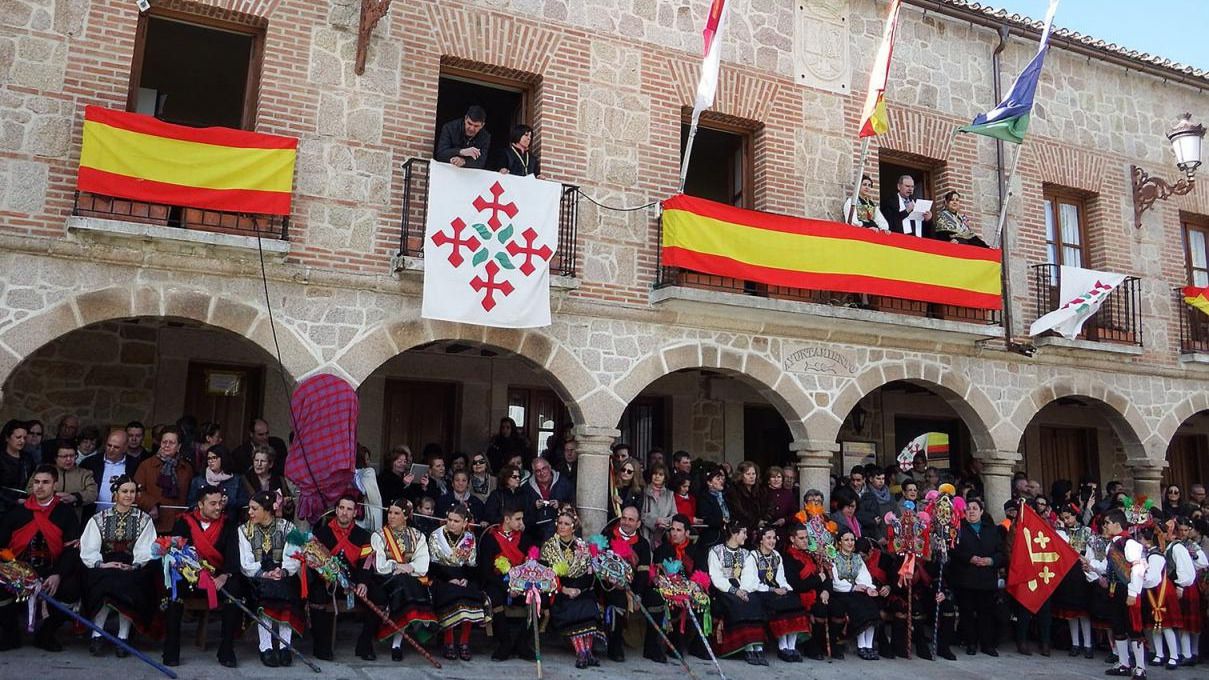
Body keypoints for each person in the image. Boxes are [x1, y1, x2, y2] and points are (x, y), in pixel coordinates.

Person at [0, 465, 82, 652]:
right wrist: (12, 569)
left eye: (45, 482)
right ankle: (10, 634)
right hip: (18, 569)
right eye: (36, 482)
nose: (40, 486)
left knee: (73, 587)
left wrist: (58, 575)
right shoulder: (17, 512)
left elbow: (72, 549)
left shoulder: (65, 513)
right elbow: (2, 545)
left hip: (52, 569)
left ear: (55, 484)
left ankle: (46, 635)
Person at [164, 484, 242, 668]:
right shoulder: (183, 522)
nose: (218, 508)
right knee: (173, 592)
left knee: (235, 589)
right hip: (191, 576)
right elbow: (177, 556)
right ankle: (171, 651)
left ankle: (226, 650)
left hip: (217, 578)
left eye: (220, 503)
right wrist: (196, 574)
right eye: (212, 504)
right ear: (200, 504)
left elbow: (233, 556)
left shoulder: (229, 524)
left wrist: (223, 577)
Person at [79, 474, 157, 657]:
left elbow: (146, 547)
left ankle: (123, 637)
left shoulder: (144, 519)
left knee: (127, 586)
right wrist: (102, 564)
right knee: (104, 584)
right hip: (104, 564)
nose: (128, 495)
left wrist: (135, 565)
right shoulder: (99, 518)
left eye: (132, 491)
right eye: (124, 491)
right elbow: (89, 547)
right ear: (115, 494)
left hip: (131, 565)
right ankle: (97, 634)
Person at [239, 490, 304, 667]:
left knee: (286, 595)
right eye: (249, 508)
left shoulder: (288, 527)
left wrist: (282, 571)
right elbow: (245, 562)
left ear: (267, 510)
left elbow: (294, 555)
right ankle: (265, 647)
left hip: (283, 573)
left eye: (254, 508)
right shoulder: (244, 530)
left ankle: (285, 646)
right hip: (257, 576)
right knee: (265, 598)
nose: (250, 512)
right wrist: (263, 573)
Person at [308, 495, 376, 662]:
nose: (345, 512)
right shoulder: (321, 533)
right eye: (342, 508)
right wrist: (326, 577)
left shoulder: (364, 535)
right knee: (316, 595)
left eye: (349, 509)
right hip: (328, 582)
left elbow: (366, 563)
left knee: (379, 596)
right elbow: (313, 560)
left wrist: (363, 583)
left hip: (353, 583)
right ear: (336, 510)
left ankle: (365, 645)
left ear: (355, 513)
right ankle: (321, 647)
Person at [371, 497, 437, 661]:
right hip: (386, 579)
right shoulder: (379, 536)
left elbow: (422, 561)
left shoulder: (418, 536)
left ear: (406, 516)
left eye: (396, 513)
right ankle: (417, 624)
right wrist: (395, 566)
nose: (391, 516)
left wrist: (410, 567)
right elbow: (379, 565)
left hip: (410, 579)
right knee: (403, 584)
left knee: (406, 584)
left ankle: (397, 643)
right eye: (390, 512)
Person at [541, 505, 601, 668]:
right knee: (572, 610)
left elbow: (589, 575)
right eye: (560, 523)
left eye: (566, 524)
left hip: (580, 590)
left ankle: (588, 652)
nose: (562, 526)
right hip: (559, 591)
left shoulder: (582, 546)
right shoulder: (549, 547)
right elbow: (545, 575)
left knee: (588, 606)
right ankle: (581, 652)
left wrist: (579, 590)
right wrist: (564, 589)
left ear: (574, 527)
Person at [427, 502, 487, 661]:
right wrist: (450, 578)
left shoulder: (469, 538)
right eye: (450, 519)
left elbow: (472, 564)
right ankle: (449, 643)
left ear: (465, 523)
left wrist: (466, 579)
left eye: (456, 521)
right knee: (451, 596)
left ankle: (464, 642)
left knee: (471, 595)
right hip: (442, 577)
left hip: (463, 576)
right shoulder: (436, 535)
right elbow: (433, 564)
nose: (451, 523)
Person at [743, 524, 810, 662]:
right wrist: (773, 590)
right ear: (761, 540)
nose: (772, 541)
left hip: (776, 590)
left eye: (774, 538)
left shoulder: (777, 556)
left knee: (794, 602)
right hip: (762, 591)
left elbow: (781, 578)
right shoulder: (753, 556)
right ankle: (782, 646)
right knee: (780, 605)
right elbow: (753, 583)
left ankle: (791, 647)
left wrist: (785, 588)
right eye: (768, 538)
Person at [479, 499, 535, 661]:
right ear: (507, 519)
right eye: (518, 519)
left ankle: (522, 644)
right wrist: (508, 588)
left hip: (521, 583)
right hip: (498, 584)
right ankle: (505, 643)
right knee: (494, 598)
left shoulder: (525, 539)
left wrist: (521, 584)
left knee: (540, 599)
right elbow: (486, 572)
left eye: (522, 519)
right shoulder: (490, 539)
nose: (521, 523)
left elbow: (530, 564)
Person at [1098, 508, 1148, 678]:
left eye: (1107, 523)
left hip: (1128, 589)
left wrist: (1133, 593)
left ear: (1117, 524)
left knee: (1134, 628)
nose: (1104, 526)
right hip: (1114, 590)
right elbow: (1107, 566)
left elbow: (1138, 568)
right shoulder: (1112, 545)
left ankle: (1140, 667)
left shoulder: (1130, 544)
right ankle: (1124, 663)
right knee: (1117, 626)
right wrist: (1090, 565)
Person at [706, 524, 768, 664]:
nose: (746, 536)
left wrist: (744, 590)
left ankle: (758, 648)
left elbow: (750, 574)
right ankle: (748, 649)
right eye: (743, 533)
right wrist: (735, 591)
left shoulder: (746, 554)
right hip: (724, 589)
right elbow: (716, 577)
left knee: (755, 601)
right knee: (739, 605)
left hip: (743, 588)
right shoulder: (715, 552)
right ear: (734, 534)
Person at [602, 504, 656, 663]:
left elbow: (643, 572)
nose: (625, 522)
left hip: (634, 586)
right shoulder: (607, 535)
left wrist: (637, 594)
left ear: (638, 524)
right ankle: (615, 646)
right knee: (618, 600)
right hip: (609, 585)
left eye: (631, 520)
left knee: (656, 599)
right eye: (624, 518)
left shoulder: (643, 544)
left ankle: (652, 649)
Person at [951, 498, 1002, 657]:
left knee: (986, 613)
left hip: (987, 578)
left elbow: (1001, 553)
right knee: (967, 613)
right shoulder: (959, 529)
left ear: (981, 511)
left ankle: (987, 644)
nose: (971, 511)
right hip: (966, 578)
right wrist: (969, 558)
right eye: (968, 509)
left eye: (974, 508)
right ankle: (971, 643)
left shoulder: (992, 530)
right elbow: (954, 550)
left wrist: (991, 560)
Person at [780, 522, 834, 660]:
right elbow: (796, 584)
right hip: (799, 595)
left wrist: (826, 591)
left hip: (817, 593)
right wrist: (818, 581)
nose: (805, 541)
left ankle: (819, 645)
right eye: (801, 538)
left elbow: (825, 575)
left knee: (829, 606)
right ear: (793, 539)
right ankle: (810, 646)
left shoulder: (810, 555)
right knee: (818, 609)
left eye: (806, 538)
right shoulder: (788, 558)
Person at [1138, 522, 1185, 670]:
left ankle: (1174, 655)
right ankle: (1159, 654)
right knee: (1155, 625)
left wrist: (1140, 578)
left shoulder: (1155, 556)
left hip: (1162, 591)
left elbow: (1153, 578)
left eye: (1141, 539)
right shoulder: (1150, 555)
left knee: (1165, 626)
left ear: (1147, 540)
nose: (1140, 542)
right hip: (1154, 592)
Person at [828, 527, 881, 660]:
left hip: (857, 591)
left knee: (871, 607)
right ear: (840, 542)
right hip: (842, 592)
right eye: (846, 540)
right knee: (860, 609)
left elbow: (864, 576)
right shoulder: (834, 558)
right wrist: (853, 587)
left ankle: (868, 646)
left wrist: (869, 588)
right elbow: (835, 582)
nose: (850, 542)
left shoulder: (857, 558)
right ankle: (861, 646)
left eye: (852, 540)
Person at [1052, 503, 1095, 659]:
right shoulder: (1060, 532)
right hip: (1067, 573)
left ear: (1075, 516)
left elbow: (1092, 550)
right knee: (1071, 612)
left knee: (1083, 611)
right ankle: (1075, 643)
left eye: (1068, 517)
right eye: (1064, 518)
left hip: (1082, 572)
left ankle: (1088, 644)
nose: (1066, 520)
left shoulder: (1086, 531)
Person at [134, 425, 193, 533]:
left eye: (171, 443)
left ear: (179, 446)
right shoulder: (146, 465)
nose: (167, 445)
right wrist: (151, 505)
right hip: (152, 523)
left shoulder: (186, 468)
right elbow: (136, 491)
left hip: (178, 525)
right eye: (164, 442)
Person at [81, 430, 139, 512]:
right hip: (93, 515)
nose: (111, 449)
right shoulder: (90, 463)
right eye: (109, 445)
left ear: (125, 448)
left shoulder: (134, 465)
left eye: (116, 447)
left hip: (124, 515)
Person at [522, 457, 573, 544]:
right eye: (538, 471)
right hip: (534, 531)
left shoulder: (563, 482)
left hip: (559, 529)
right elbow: (522, 510)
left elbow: (573, 504)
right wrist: (533, 505)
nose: (542, 473)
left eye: (544, 468)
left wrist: (560, 504)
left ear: (549, 467)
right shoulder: (527, 488)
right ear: (534, 473)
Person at [187, 445, 247, 519]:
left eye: (214, 458)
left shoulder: (236, 480)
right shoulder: (198, 480)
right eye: (209, 458)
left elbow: (244, 502)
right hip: (203, 522)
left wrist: (229, 501)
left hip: (228, 521)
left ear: (223, 458)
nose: (211, 461)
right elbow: (191, 504)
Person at [43, 441, 97, 522]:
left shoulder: (84, 474)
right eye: (64, 456)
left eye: (72, 456)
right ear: (55, 458)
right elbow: (29, 489)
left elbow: (93, 493)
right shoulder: (44, 471)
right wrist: (53, 496)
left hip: (73, 521)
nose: (69, 459)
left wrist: (75, 497)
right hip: (45, 519)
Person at [242, 444, 294, 519]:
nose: (258, 464)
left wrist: (286, 503)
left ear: (270, 464)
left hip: (274, 521)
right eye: (256, 460)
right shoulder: (245, 480)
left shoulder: (280, 480)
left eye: (262, 461)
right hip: (251, 521)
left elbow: (289, 506)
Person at [435, 105, 490, 169]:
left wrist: (464, 162)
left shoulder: (485, 137)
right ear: (465, 118)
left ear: (482, 125)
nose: (472, 128)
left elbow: (481, 162)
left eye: (476, 126)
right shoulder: (450, 128)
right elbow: (440, 154)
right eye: (469, 123)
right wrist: (461, 152)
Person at [1, 419, 37, 514]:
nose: (22, 441)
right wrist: (14, 500)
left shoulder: (28, 458)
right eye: (18, 437)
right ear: (7, 438)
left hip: (25, 506)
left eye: (24, 438)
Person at [728, 461, 764, 542]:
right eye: (748, 474)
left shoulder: (758, 490)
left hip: (755, 530)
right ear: (741, 475)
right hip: (740, 529)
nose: (752, 477)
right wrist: (756, 522)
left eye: (753, 474)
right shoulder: (734, 490)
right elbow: (739, 510)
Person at [641, 462, 676, 546]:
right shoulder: (644, 492)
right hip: (646, 533)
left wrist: (665, 522)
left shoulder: (670, 494)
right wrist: (655, 520)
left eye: (661, 474)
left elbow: (674, 514)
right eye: (655, 474)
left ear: (665, 477)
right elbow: (641, 514)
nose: (657, 476)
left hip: (663, 534)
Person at [696, 467, 730, 549]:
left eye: (722, 478)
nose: (721, 481)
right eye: (718, 479)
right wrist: (721, 521)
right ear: (709, 482)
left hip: (727, 535)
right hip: (712, 538)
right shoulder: (704, 498)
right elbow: (706, 517)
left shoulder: (725, 496)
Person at [858, 467, 896, 541]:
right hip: (876, 537)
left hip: (891, 535)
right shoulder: (866, 496)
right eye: (878, 479)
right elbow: (866, 518)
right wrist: (878, 536)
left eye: (883, 478)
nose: (881, 481)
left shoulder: (890, 495)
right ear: (871, 479)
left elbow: (897, 514)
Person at [353, 445, 384, 534]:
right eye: (366, 459)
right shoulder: (367, 472)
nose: (369, 462)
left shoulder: (367, 472)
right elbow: (372, 496)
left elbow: (365, 491)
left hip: (362, 514)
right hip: (360, 513)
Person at [764, 466, 796, 531]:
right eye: (773, 477)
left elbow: (794, 514)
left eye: (779, 477)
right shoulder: (762, 493)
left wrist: (784, 520)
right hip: (765, 530)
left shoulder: (788, 494)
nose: (776, 480)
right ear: (768, 480)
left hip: (783, 530)